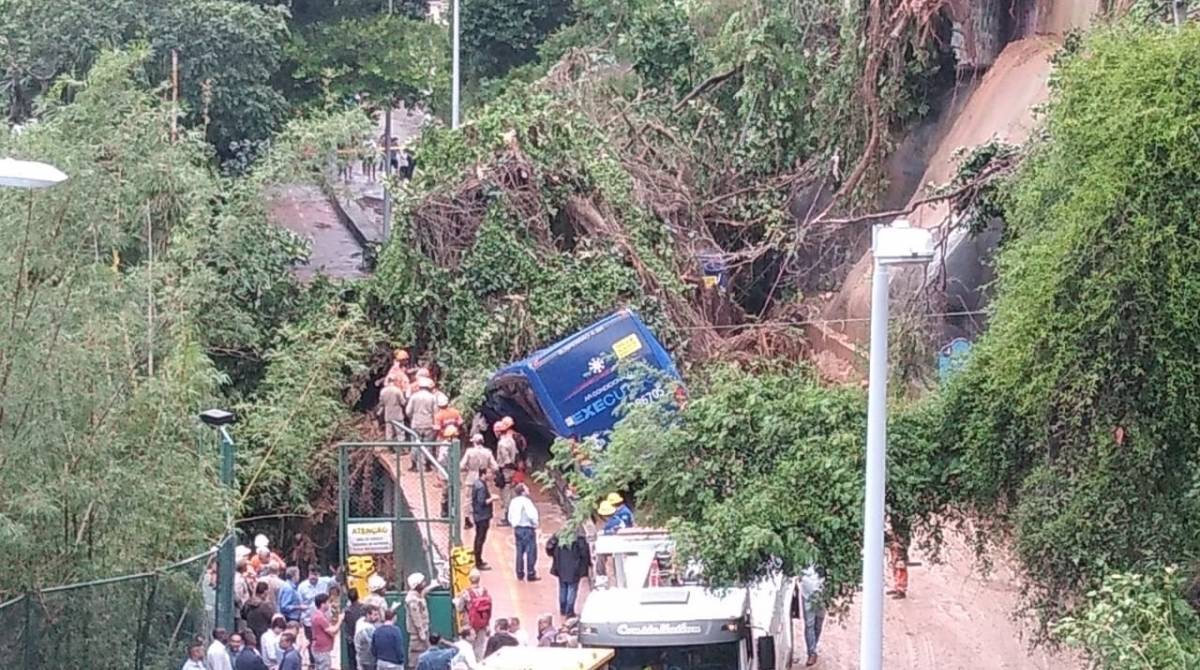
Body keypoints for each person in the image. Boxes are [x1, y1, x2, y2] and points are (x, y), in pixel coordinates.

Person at [546, 530, 590, 617]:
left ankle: (563, 609)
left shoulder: (558, 535)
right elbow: (584, 553)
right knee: (572, 589)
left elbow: (549, 547)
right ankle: (569, 611)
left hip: (560, 566)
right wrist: (586, 566)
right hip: (574, 568)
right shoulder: (579, 538)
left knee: (562, 588)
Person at [454, 569, 491, 659]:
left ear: (469, 579)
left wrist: (456, 602)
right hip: (483, 623)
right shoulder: (485, 592)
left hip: (469, 624)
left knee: (468, 647)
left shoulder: (466, 593)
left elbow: (459, 608)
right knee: (479, 648)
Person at [507, 484, 540, 581]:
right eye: (526, 488)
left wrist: (513, 523)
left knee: (519, 551)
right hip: (527, 529)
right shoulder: (527, 502)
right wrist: (535, 523)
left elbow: (510, 515)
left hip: (518, 528)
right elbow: (531, 515)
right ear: (523, 491)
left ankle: (519, 572)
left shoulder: (513, 502)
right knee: (531, 552)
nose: (528, 489)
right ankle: (530, 573)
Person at [405, 572, 437, 666]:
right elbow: (416, 618)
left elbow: (424, 592)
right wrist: (421, 632)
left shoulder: (417, 595)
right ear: (417, 585)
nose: (424, 583)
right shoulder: (412, 600)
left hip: (423, 632)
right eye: (422, 582)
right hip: (417, 635)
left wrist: (434, 585)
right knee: (416, 658)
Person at [470, 467, 499, 570]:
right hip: (482, 516)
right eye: (489, 473)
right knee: (480, 538)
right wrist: (492, 498)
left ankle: (477, 558)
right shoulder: (481, 487)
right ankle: (478, 561)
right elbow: (482, 502)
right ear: (483, 474)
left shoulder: (477, 483)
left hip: (478, 515)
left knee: (478, 537)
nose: (491, 475)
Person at [407, 376, 438, 470]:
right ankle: (426, 465)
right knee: (427, 445)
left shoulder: (414, 396)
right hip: (428, 424)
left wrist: (412, 417)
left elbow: (408, 411)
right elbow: (435, 412)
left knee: (415, 444)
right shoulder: (432, 397)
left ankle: (414, 465)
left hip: (416, 423)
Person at [801, 566, 826, 667]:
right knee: (809, 625)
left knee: (818, 623)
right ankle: (811, 652)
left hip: (822, 596)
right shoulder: (803, 559)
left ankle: (814, 646)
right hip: (807, 596)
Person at [310, 593, 342, 670]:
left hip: (322, 649)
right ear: (323, 604)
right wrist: (340, 620)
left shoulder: (320, 615)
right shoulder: (319, 617)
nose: (329, 604)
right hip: (321, 650)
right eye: (328, 602)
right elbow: (332, 631)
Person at [343, 588, 365, 670]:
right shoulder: (363, 608)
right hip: (361, 637)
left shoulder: (347, 610)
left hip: (350, 638)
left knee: (352, 660)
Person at [354, 604, 381, 670]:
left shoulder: (360, 621)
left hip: (361, 658)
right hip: (368, 660)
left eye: (377, 614)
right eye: (375, 615)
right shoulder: (368, 629)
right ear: (368, 615)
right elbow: (374, 645)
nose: (377, 617)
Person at [380, 375, 407, 441]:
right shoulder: (397, 390)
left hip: (388, 414)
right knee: (400, 431)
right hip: (397, 414)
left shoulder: (383, 391)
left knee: (389, 432)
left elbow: (381, 403)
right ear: (394, 381)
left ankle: (390, 447)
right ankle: (400, 447)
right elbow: (403, 402)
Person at [887, 527, 910, 599]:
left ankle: (901, 590)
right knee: (895, 567)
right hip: (896, 543)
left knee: (900, 567)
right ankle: (897, 587)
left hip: (900, 543)